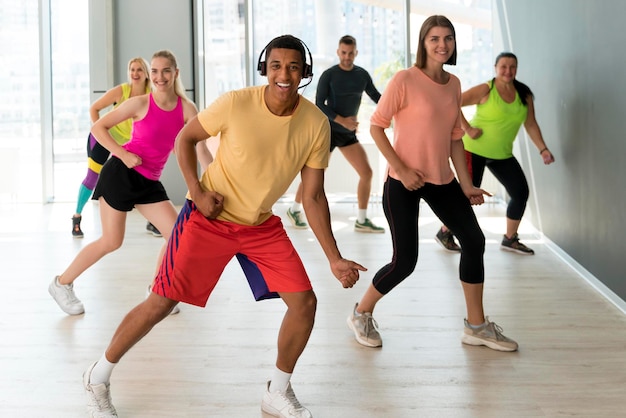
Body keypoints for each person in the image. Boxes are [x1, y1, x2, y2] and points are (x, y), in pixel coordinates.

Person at [80, 35, 365, 418]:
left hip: (260, 225)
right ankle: (98, 376)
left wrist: (334, 257)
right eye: (277, 66)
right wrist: (196, 190)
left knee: (305, 303)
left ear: (305, 73)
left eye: (294, 67)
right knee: (161, 301)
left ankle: (277, 391)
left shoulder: (315, 124)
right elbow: (186, 137)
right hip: (209, 219)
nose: (284, 74)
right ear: (265, 69)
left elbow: (313, 197)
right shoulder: (236, 102)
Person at [346, 15, 518, 353]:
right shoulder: (405, 79)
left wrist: (467, 184)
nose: (442, 44)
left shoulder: (454, 84)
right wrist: (402, 169)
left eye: (448, 38)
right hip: (402, 181)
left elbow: (456, 138)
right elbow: (376, 127)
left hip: (442, 180)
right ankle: (361, 312)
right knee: (405, 262)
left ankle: (476, 326)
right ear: (423, 42)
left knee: (474, 240)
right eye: (435, 38)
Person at [48, 50, 198, 316]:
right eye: (155, 71)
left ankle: (156, 289)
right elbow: (98, 128)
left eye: (165, 71)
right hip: (121, 175)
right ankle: (62, 283)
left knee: (178, 234)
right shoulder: (140, 102)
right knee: (111, 241)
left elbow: (195, 146)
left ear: (176, 73)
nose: (159, 76)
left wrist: (207, 178)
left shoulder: (188, 109)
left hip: (149, 180)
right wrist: (122, 153)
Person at [434, 51, 555, 255]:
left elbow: (531, 123)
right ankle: (445, 231)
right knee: (467, 195)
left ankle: (510, 239)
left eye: (512, 67)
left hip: (502, 154)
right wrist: (468, 129)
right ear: (496, 68)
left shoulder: (523, 95)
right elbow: (454, 102)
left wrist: (542, 149)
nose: (508, 71)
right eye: (503, 67)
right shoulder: (486, 89)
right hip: (474, 150)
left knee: (520, 192)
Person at [287, 35, 384, 233]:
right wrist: (343, 121)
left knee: (366, 173)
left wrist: (396, 107)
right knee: (314, 176)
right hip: (327, 131)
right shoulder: (329, 75)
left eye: (350, 53)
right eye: (343, 52)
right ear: (338, 52)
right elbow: (319, 104)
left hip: (347, 134)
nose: (347, 56)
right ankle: (295, 210)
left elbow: (377, 97)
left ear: (355, 53)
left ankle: (362, 220)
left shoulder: (362, 75)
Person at [71, 57, 151, 238]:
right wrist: (100, 130)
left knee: (143, 176)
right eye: (132, 69)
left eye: (139, 70)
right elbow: (94, 108)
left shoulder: (151, 94)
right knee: (92, 177)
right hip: (102, 138)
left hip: (128, 143)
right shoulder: (122, 91)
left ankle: (152, 221)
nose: (135, 73)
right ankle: (76, 217)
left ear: (146, 74)